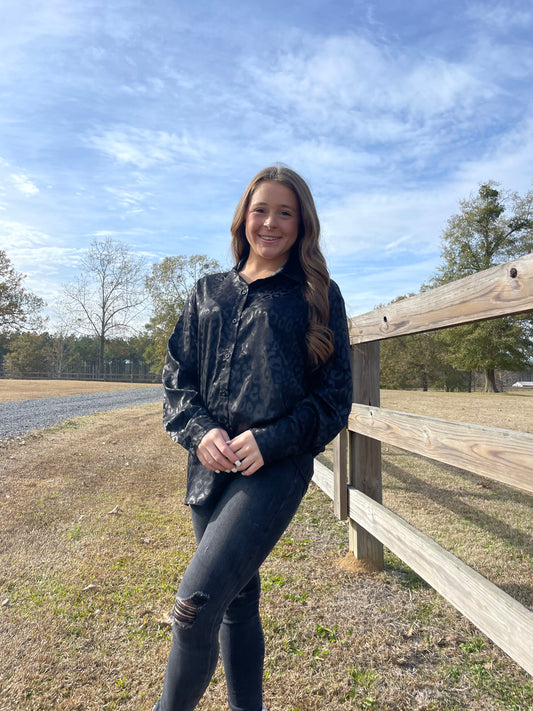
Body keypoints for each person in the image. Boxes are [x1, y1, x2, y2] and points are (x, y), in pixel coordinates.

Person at [153, 165, 353, 711]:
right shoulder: (206, 293)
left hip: (274, 471)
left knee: (194, 604)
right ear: (243, 216)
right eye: (261, 209)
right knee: (238, 601)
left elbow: (334, 399)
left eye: (285, 212)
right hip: (208, 471)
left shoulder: (316, 295)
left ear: (302, 223)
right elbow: (177, 380)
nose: (270, 222)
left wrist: (270, 440)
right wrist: (198, 433)